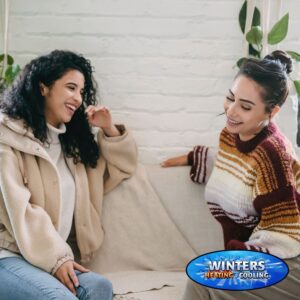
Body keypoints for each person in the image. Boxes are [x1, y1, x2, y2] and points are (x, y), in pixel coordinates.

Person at [162, 50, 300, 299]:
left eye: (245, 106)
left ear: (273, 113)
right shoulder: (232, 135)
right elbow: (240, 170)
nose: (231, 111)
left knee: (202, 283)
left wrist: (239, 254)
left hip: (290, 256)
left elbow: (284, 230)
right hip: (263, 252)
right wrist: (197, 158)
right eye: (230, 97)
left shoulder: (272, 152)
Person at [0, 50, 137, 300]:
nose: (77, 98)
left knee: (100, 287)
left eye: (82, 91)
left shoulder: (74, 147)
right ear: (43, 87)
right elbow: (21, 210)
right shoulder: (6, 138)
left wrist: (108, 128)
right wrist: (57, 259)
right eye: (71, 87)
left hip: (49, 261)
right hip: (9, 255)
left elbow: (123, 168)